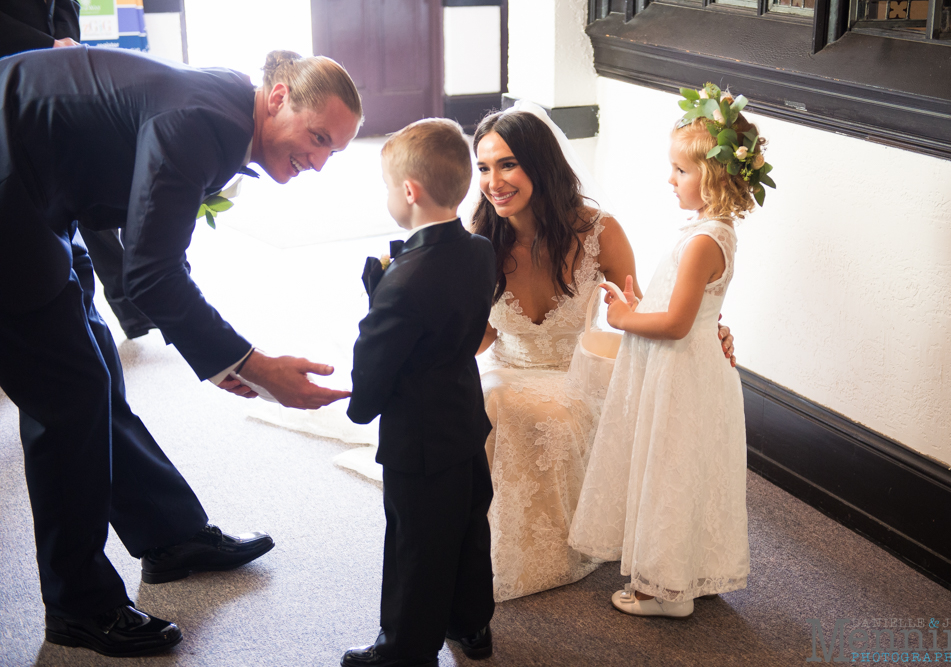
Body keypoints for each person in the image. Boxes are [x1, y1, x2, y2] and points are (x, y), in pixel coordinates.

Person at [0, 46, 359, 656]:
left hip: (45, 190)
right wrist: (252, 363)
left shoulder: (229, 106)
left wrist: (222, 357)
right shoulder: (205, 122)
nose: (321, 161)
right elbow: (151, 272)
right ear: (277, 99)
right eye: (318, 137)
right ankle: (79, 606)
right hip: (11, 195)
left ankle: (169, 536)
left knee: (97, 370)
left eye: (335, 150)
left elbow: (153, 237)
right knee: (70, 401)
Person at [568, 85, 774, 618]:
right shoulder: (711, 232)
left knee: (670, 471)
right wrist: (641, 303)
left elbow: (679, 324)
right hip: (692, 370)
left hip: (683, 372)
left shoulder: (705, 240)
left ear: (714, 176)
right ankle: (687, 572)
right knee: (685, 469)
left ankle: (663, 590)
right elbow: (689, 307)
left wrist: (622, 318)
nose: (671, 179)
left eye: (680, 171)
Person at [470, 107, 645, 602]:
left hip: (580, 376)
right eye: (483, 168)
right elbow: (480, 335)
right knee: (487, 400)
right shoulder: (481, 235)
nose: (493, 181)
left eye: (507, 165)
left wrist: (704, 332)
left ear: (540, 164)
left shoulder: (599, 232)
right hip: (506, 369)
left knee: (555, 415)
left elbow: (638, 314)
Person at [343, 118, 496, 667]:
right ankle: (471, 624)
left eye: (389, 186)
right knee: (467, 526)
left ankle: (405, 649)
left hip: (419, 440)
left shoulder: (403, 283)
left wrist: (377, 299)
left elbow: (374, 371)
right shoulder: (480, 252)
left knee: (416, 542)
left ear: (409, 191)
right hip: (463, 421)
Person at [0, 0, 158, 339]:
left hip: (47, 83)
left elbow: (65, 3)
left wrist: (61, 48)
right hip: (8, 86)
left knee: (80, 200)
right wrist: (46, 47)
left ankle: (124, 306)